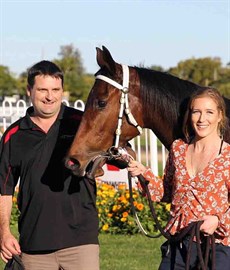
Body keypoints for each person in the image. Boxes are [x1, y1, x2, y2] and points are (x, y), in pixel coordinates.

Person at [0, 61, 99, 270]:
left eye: (56, 90)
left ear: (62, 91)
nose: (50, 96)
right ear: (29, 91)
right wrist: (4, 233)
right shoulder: (14, 136)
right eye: (42, 90)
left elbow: (113, 151)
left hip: (81, 242)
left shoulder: (82, 123)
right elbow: (4, 190)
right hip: (34, 246)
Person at [128, 88, 230, 269]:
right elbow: (167, 193)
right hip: (178, 243)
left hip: (217, 247)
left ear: (220, 116)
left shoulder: (228, 156)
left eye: (209, 112)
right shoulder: (178, 149)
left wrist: (218, 220)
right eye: (196, 111)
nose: (201, 119)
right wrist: (144, 173)